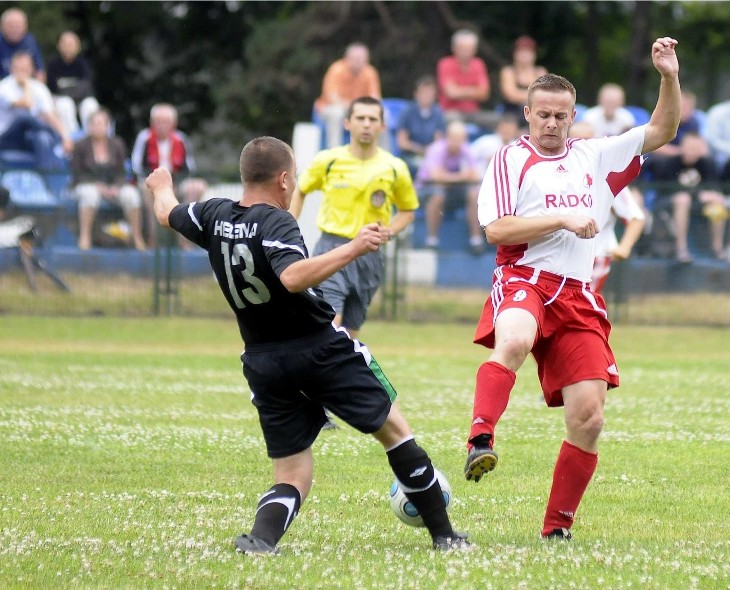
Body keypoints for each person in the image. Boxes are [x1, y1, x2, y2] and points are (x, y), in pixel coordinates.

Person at [144, 136, 468, 554]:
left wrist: (161, 184)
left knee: (293, 472)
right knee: (395, 431)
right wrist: (354, 246)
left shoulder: (213, 214)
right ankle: (445, 535)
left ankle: (261, 540)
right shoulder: (277, 222)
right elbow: (293, 278)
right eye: (293, 177)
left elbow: (167, 213)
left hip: (263, 359)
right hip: (318, 348)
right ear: (283, 179)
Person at [463, 37, 681, 541]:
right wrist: (561, 217)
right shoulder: (508, 160)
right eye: (543, 115)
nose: (552, 124)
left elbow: (663, 129)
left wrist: (668, 76)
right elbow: (497, 231)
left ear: (573, 114)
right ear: (528, 113)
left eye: (561, 116)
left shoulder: (596, 155)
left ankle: (556, 529)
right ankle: (480, 437)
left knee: (589, 417)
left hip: (579, 294)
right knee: (513, 340)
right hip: (524, 279)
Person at [288, 96, 418, 339]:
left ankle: (335, 375)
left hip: (370, 254)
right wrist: (289, 225)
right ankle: (314, 374)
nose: (366, 124)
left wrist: (389, 230)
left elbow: (408, 212)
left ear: (382, 126)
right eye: (360, 118)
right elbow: (300, 190)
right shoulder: (328, 160)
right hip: (332, 247)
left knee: (350, 333)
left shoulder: (394, 167)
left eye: (372, 119)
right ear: (347, 123)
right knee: (330, 322)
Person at [568, 121, 646, 291]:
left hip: (595, 256)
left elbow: (636, 217)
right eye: (576, 141)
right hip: (564, 256)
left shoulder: (607, 177)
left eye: (587, 140)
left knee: (582, 306)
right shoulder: (558, 174)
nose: (583, 146)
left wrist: (624, 247)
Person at [131, 102, 207, 248]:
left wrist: (174, 184)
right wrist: (158, 184)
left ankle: (185, 239)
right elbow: (137, 166)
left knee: (196, 187)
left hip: (176, 181)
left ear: (174, 123)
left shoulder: (181, 139)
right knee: (146, 191)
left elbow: (189, 168)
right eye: (158, 122)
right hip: (151, 182)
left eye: (166, 122)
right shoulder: (144, 138)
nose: (162, 125)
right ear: (152, 123)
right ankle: (153, 239)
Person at [71, 109, 144, 251]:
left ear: (108, 126)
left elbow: (121, 172)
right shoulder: (80, 145)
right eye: (95, 124)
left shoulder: (117, 144)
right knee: (90, 194)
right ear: (89, 126)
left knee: (131, 195)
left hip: (112, 186)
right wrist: (97, 186)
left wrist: (116, 186)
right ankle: (84, 237)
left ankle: (137, 236)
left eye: (101, 124)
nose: (98, 127)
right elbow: (77, 173)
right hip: (86, 184)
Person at [647, 132, 726, 263]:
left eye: (696, 149)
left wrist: (709, 196)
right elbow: (667, 190)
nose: (692, 152)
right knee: (683, 199)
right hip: (670, 203)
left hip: (698, 204)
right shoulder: (669, 163)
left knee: (717, 202)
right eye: (690, 148)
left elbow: (715, 189)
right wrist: (699, 195)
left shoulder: (707, 163)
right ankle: (681, 249)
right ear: (682, 147)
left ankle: (717, 249)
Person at [417, 119, 483, 253]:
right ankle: (432, 240)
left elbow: (475, 176)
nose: (458, 142)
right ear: (448, 137)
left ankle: (476, 241)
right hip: (426, 189)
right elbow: (435, 177)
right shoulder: (436, 149)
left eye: (461, 139)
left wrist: (447, 177)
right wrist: (461, 176)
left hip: (453, 190)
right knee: (438, 194)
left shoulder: (466, 150)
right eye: (455, 138)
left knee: (473, 194)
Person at [0, 51, 73, 169]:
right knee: (23, 118)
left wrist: (65, 137)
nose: (21, 72)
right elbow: (26, 104)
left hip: (29, 137)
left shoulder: (40, 88)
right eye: (18, 68)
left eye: (24, 69)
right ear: (11, 69)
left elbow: (49, 115)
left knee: (42, 138)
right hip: (6, 138)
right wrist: (26, 85)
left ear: (31, 69)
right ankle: (53, 135)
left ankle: (45, 182)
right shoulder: (3, 87)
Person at [313, 43, 381, 149]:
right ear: (347, 58)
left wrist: (365, 109)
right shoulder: (336, 69)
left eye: (362, 60)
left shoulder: (370, 72)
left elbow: (375, 98)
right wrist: (357, 107)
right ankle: (334, 153)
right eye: (356, 59)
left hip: (359, 108)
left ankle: (380, 154)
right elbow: (333, 98)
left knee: (382, 115)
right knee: (336, 113)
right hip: (330, 108)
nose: (359, 63)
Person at [436, 29, 492, 128]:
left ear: (475, 49)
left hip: (473, 112)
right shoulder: (445, 64)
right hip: (450, 112)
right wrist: (474, 90)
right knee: (453, 122)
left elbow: (484, 94)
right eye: (462, 48)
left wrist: (459, 90)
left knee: (500, 121)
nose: (466, 51)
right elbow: (451, 93)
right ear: (454, 48)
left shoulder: (478, 64)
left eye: (469, 48)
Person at [46, 31, 99, 136]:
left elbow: (86, 86)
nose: (67, 47)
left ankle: (91, 137)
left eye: (71, 44)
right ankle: (72, 138)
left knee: (91, 105)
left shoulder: (84, 64)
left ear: (78, 47)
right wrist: (70, 94)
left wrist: (68, 93)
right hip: (60, 100)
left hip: (81, 99)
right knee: (65, 104)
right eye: (64, 44)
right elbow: (53, 88)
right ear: (59, 46)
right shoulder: (53, 64)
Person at [395, 75, 446, 178]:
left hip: (432, 157)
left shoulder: (438, 113)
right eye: (423, 92)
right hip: (410, 156)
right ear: (416, 94)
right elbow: (402, 143)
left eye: (429, 93)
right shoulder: (407, 112)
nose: (426, 96)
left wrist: (429, 153)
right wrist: (421, 150)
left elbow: (438, 142)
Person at [498, 36, 547, 129]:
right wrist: (535, 95)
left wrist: (522, 95)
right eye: (521, 52)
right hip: (513, 113)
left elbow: (546, 94)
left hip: (536, 112)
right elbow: (510, 95)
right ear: (515, 54)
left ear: (534, 54)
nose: (524, 55)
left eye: (528, 52)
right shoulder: (508, 71)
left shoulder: (540, 71)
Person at [470, 112, 522, 178]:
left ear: (516, 130)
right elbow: (469, 155)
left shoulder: (519, 147)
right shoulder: (485, 141)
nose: (507, 130)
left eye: (510, 128)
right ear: (499, 128)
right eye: (505, 127)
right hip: (481, 181)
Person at [653, 89, 701, 156]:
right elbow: (654, 147)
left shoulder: (693, 123)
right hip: (662, 158)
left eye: (689, 107)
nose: (686, 110)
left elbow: (698, 144)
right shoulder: (662, 120)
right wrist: (680, 152)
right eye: (684, 107)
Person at [0, 8, 44, 81]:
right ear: (1, 26)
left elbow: (39, 72)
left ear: (26, 27)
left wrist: (38, 88)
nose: (15, 29)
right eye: (11, 25)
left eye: (18, 26)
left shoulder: (30, 41)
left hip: (28, 87)